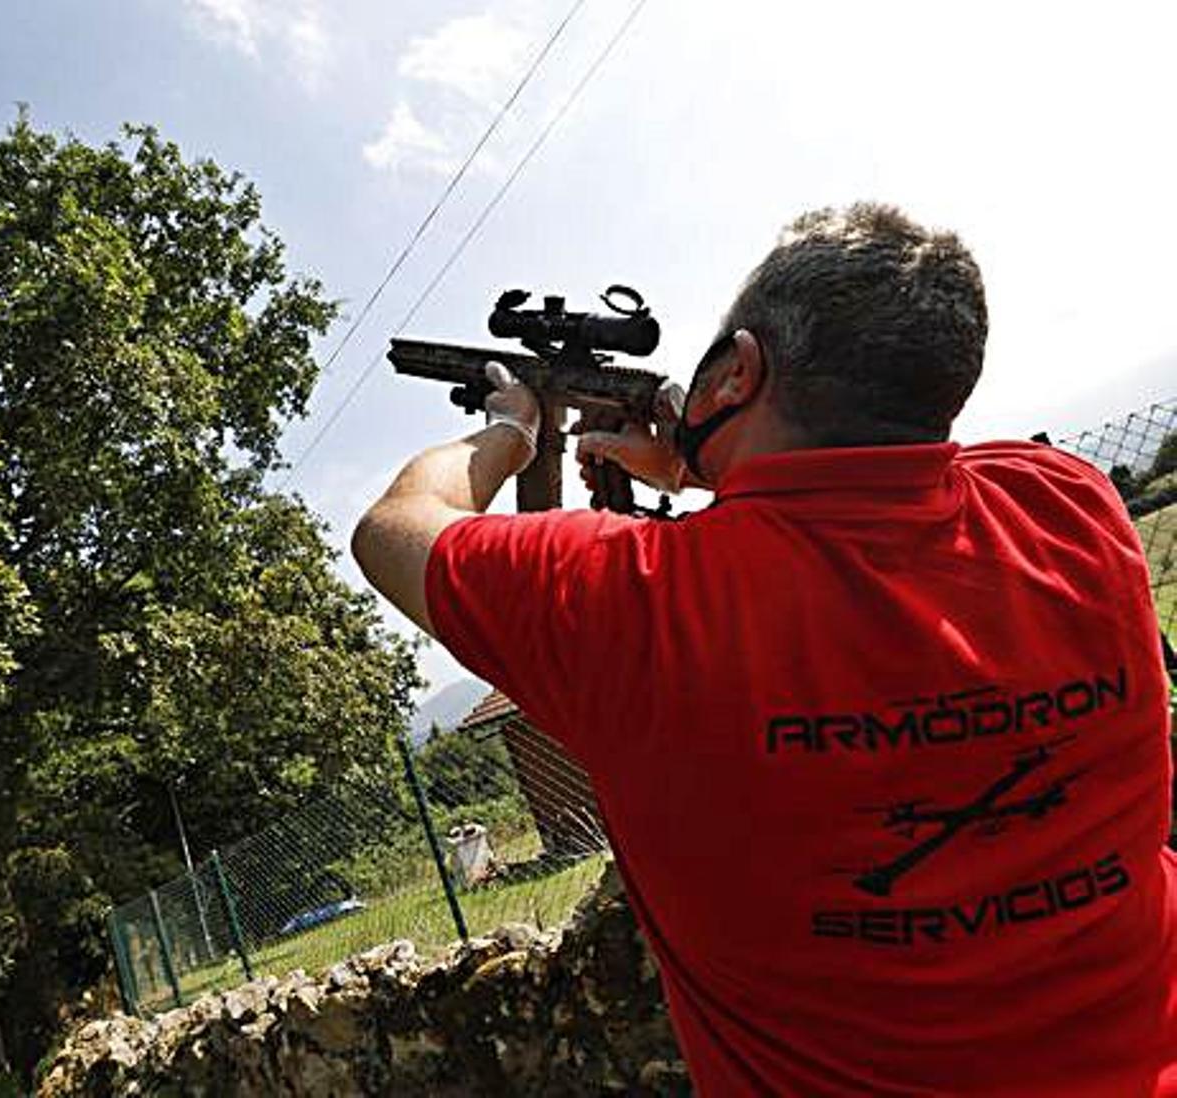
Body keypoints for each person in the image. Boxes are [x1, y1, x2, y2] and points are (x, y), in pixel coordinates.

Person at [352, 204, 1176, 1096]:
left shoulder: (624, 604)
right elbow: (867, 506)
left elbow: (396, 527)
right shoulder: (1066, 503)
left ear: (738, 371)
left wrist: (512, 426)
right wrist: (712, 461)